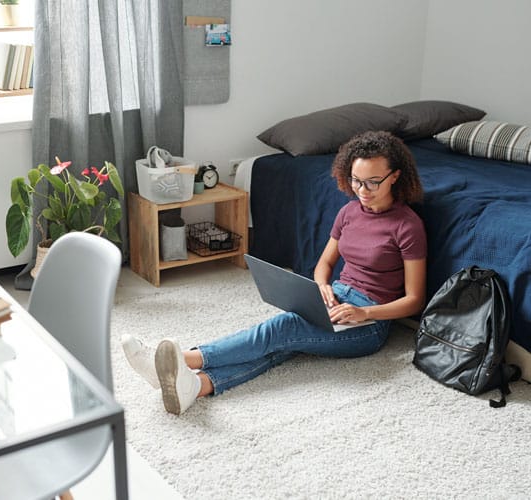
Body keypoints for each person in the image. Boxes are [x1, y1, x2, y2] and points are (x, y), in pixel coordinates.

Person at [122, 130, 427, 415]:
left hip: (370, 324)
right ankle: (197, 387)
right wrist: (321, 287)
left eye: (373, 182)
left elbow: (414, 299)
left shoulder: (407, 225)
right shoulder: (348, 212)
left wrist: (365, 314)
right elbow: (324, 265)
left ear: (395, 177)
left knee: (281, 329)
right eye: (356, 180)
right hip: (335, 301)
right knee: (282, 343)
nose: (362, 190)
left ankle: (182, 359)